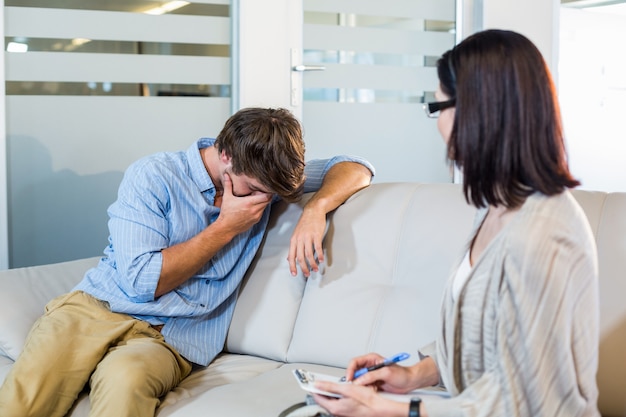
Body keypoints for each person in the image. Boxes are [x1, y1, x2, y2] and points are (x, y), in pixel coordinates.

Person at [0, 107, 375, 417]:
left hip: (171, 338)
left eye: (274, 194)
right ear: (225, 156)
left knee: (125, 382)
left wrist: (317, 209)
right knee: (25, 398)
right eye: (259, 191)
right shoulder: (154, 176)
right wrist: (226, 227)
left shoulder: (265, 178)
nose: (265, 201)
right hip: (97, 310)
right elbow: (143, 282)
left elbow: (356, 166)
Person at [312, 29, 600, 417]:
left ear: (478, 111)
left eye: (439, 107)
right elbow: (488, 346)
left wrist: (392, 410)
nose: (437, 124)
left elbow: (529, 400)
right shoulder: (498, 208)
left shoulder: (546, 233)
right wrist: (414, 374)